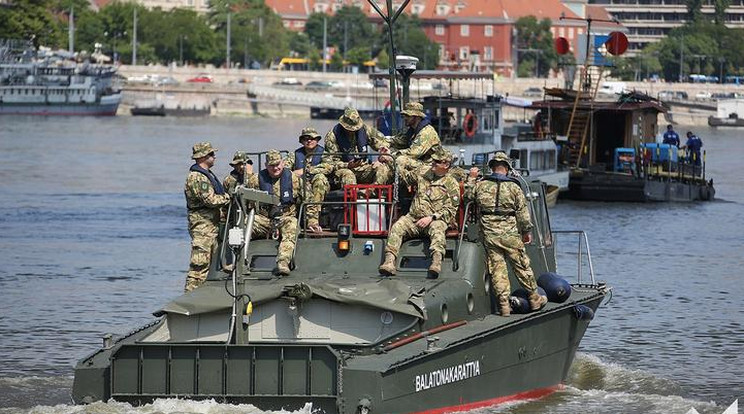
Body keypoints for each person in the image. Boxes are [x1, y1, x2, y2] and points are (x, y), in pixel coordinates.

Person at [464, 152, 547, 316]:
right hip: (510, 233)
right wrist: (526, 232)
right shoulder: (514, 187)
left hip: (489, 234)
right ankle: (534, 298)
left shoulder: (481, 185)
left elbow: (467, 197)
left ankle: (504, 306)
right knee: (521, 266)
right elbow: (523, 215)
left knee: (497, 269)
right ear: (507, 168)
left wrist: (472, 179)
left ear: (492, 167)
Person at [378, 148, 460, 278]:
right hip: (414, 218)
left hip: (434, 220)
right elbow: (405, 177)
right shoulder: (423, 172)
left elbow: (451, 210)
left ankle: (436, 262)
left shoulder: (451, 184)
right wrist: (390, 161)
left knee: (438, 229)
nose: (433, 163)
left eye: (437, 162)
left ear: (446, 165)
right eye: (432, 160)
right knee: (398, 226)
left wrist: (431, 218)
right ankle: (389, 262)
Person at [244, 149, 302, 276]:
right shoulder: (255, 180)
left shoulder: (294, 179)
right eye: (271, 166)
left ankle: (283, 262)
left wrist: (312, 221)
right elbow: (248, 202)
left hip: (285, 217)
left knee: (293, 226)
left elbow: (305, 200)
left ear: (283, 163)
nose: (275, 168)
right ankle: (237, 260)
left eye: (277, 165)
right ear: (266, 166)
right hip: (265, 219)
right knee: (244, 223)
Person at [184, 142, 231, 292]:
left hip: (211, 225)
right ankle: (189, 298)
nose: (214, 157)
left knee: (209, 265)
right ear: (203, 157)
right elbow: (210, 200)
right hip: (202, 226)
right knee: (199, 267)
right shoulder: (197, 177)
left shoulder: (207, 175)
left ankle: (202, 296)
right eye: (211, 154)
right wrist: (228, 198)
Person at [319, 107, 393, 188]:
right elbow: (329, 162)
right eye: (349, 128)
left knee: (382, 169)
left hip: (362, 168)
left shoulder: (365, 130)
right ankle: (352, 197)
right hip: (343, 170)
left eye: (355, 128)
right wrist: (347, 165)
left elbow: (383, 141)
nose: (352, 130)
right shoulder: (333, 135)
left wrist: (383, 152)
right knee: (348, 176)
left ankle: (371, 192)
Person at [381, 102, 442, 184]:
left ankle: (400, 188)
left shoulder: (427, 132)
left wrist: (390, 155)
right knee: (394, 155)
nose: (404, 118)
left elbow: (413, 153)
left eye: (407, 116)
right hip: (420, 162)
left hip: (430, 166)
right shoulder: (412, 130)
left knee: (401, 160)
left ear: (416, 117)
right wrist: (384, 145)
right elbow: (399, 141)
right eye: (404, 116)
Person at [285, 127, 329, 233]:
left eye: (312, 138)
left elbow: (328, 167)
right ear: (302, 141)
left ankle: (314, 219)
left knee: (320, 178)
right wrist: (293, 174)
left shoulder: (324, 153)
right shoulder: (295, 154)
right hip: (301, 187)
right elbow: (285, 169)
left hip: (318, 185)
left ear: (317, 140)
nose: (309, 141)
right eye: (306, 139)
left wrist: (306, 170)